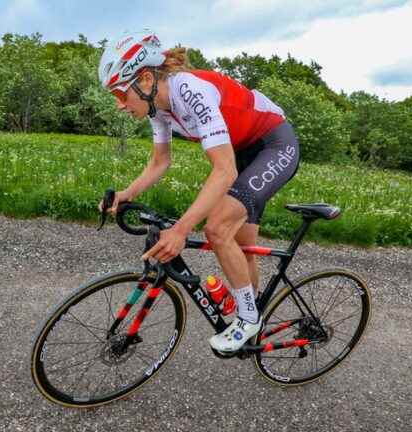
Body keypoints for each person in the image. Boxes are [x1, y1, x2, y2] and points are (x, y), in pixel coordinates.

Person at [98, 30, 300, 352]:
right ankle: (252, 312)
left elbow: (224, 170)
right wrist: (128, 192)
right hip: (243, 150)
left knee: (217, 228)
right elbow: (160, 162)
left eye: (121, 95)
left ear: (146, 80)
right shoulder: (158, 109)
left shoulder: (189, 91)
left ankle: (249, 319)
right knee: (242, 245)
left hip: (273, 144)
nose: (120, 106)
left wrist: (180, 230)